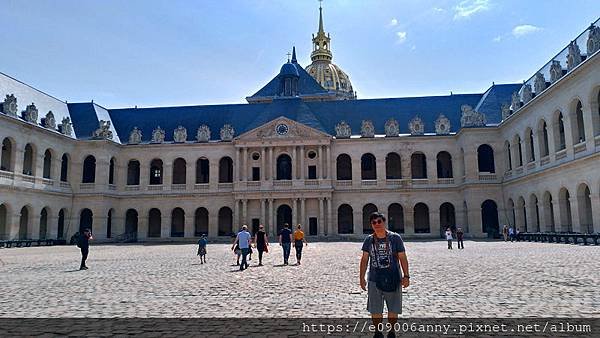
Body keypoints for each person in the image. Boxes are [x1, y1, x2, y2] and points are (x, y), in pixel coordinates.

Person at [359, 212, 410, 338]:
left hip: (393, 278)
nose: (377, 224)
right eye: (374, 222)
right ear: (371, 225)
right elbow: (364, 259)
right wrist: (361, 278)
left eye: (379, 221)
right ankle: (378, 331)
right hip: (374, 279)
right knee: (375, 309)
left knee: (393, 308)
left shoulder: (395, 238)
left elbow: (402, 257)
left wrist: (406, 276)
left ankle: (392, 331)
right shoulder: (369, 240)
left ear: (384, 222)